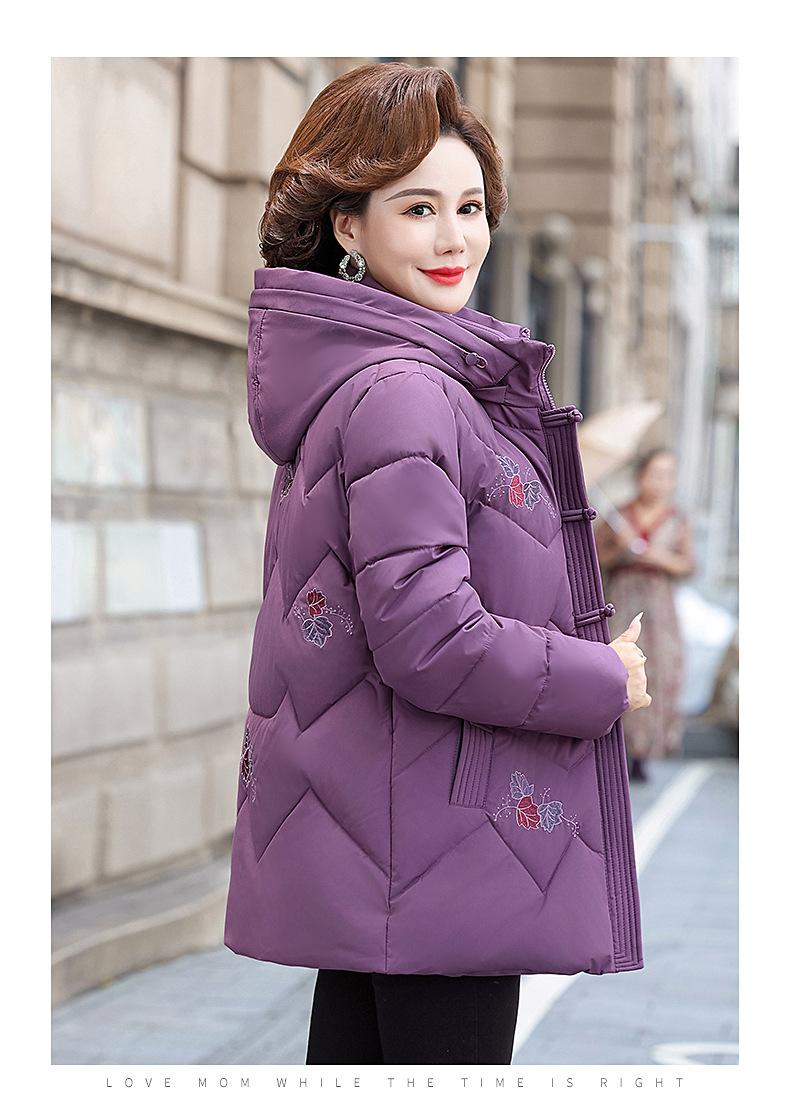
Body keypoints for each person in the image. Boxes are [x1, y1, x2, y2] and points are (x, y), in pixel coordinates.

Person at [223, 62, 651, 1067]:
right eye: (418, 209)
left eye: (469, 207)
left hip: (397, 844)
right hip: (439, 850)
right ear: (348, 226)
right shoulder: (405, 393)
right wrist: (604, 675)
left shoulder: (376, 382)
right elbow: (431, 638)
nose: (456, 238)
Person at [595, 448, 696, 782]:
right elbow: (594, 559)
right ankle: (615, 746)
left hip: (660, 607)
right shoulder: (618, 516)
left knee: (659, 672)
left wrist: (658, 557)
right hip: (622, 600)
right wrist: (621, 548)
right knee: (618, 666)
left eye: (667, 475)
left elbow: (687, 565)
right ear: (640, 477)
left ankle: (644, 752)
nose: (660, 482)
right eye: (655, 474)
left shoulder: (677, 519)